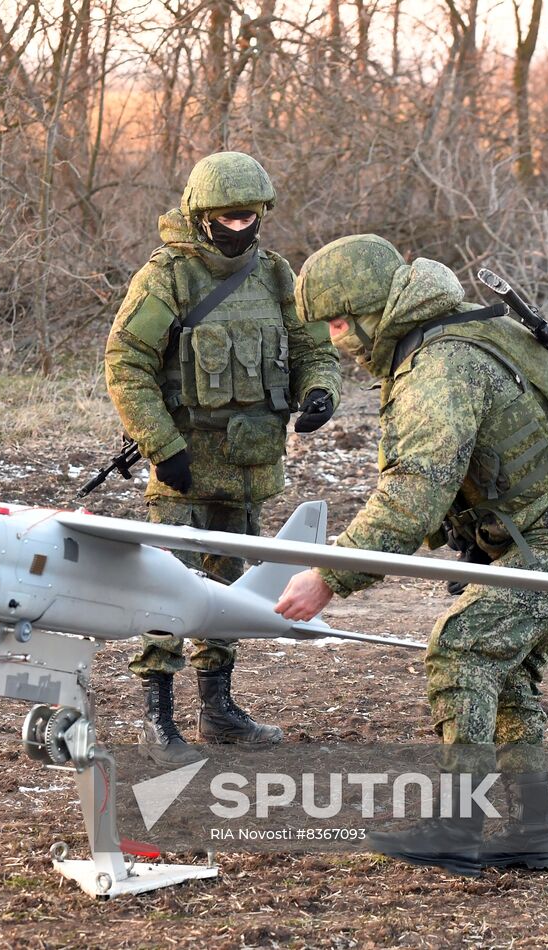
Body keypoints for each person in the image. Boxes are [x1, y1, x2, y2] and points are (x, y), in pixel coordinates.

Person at [274, 234, 548, 875]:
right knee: (502, 666)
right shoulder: (460, 331)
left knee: (463, 646)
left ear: (370, 313)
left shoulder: (440, 367)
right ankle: (532, 832)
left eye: (338, 322)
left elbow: (414, 489)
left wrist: (329, 576)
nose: (335, 340)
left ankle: (456, 824)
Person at [105, 152, 343, 766]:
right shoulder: (168, 277)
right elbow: (126, 365)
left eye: (251, 215)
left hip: (246, 467)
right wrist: (164, 446)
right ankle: (157, 718)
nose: (244, 227)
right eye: (230, 217)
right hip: (182, 470)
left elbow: (312, 345)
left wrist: (321, 392)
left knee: (232, 590)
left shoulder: (274, 276)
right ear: (203, 217)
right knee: (162, 592)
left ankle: (219, 710)